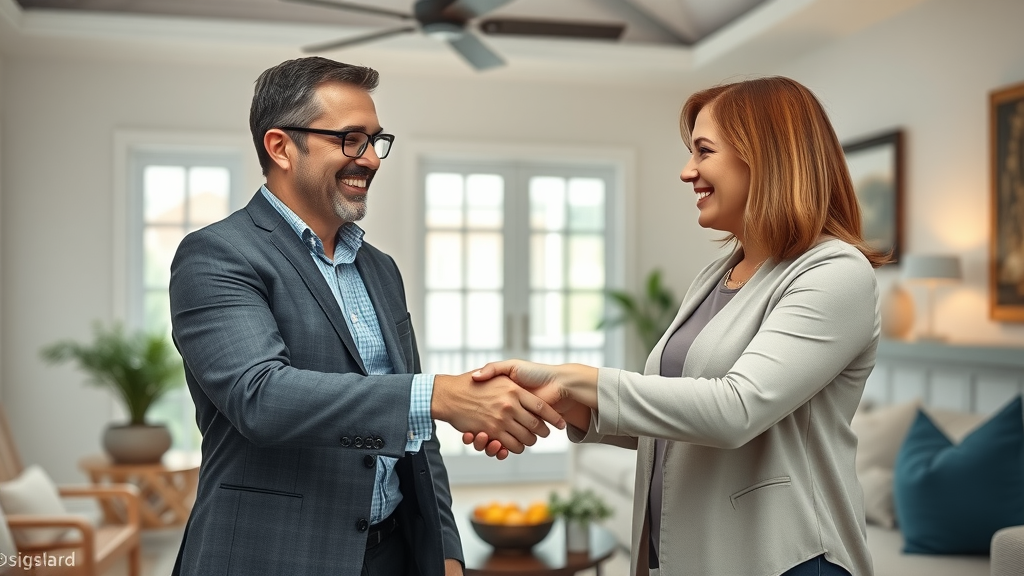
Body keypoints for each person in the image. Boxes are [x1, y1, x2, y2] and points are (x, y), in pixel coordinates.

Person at [467, 76, 888, 576]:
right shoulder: (717, 275)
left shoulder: (835, 272)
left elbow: (736, 409)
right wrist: (566, 404)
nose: (688, 171)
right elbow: (681, 416)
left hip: (787, 559)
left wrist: (580, 378)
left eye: (704, 151)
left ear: (766, 157)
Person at [168, 57, 564, 576]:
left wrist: (445, 549)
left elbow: (417, 430)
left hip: (393, 552)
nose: (372, 159)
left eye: (376, 141)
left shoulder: (380, 268)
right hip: (272, 555)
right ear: (281, 147)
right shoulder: (217, 254)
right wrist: (441, 395)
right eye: (351, 140)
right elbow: (260, 397)